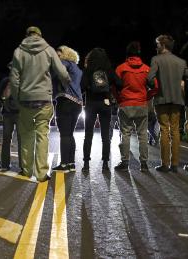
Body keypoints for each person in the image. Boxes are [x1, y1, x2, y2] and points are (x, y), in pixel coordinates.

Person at [10, 26, 70, 182]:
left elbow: (14, 79)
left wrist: (17, 98)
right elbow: (62, 72)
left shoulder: (19, 51)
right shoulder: (48, 50)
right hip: (44, 99)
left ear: (27, 35)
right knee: (42, 136)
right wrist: (67, 83)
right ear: (40, 35)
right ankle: (42, 173)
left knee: (27, 135)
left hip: (25, 100)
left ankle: (27, 170)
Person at [147, 34, 188, 173]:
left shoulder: (156, 59)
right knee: (175, 131)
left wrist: (155, 87)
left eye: (157, 44)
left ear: (163, 45)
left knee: (164, 130)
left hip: (161, 99)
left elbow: (149, 78)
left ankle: (165, 164)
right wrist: (182, 84)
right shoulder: (181, 61)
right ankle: (175, 164)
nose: (156, 47)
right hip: (177, 100)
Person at [81, 48, 122, 172]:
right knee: (105, 135)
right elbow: (120, 84)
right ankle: (105, 164)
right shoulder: (108, 70)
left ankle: (86, 164)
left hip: (91, 104)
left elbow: (82, 87)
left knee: (88, 134)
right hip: (105, 103)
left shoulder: (88, 70)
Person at [113, 41, 151, 172]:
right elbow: (156, 85)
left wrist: (119, 99)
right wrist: (147, 96)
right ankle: (144, 163)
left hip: (126, 104)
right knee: (142, 134)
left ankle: (124, 162)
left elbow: (114, 86)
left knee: (125, 133)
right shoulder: (146, 69)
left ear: (127, 54)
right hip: (141, 104)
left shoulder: (121, 68)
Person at [51, 45, 83, 173]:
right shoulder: (77, 68)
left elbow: (58, 72)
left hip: (65, 101)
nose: (56, 58)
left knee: (64, 134)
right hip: (77, 103)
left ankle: (64, 164)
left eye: (59, 55)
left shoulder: (64, 64)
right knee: (69, 134)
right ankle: (71, 163)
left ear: (65, 55)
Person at [0, 62, 21, 171]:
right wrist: (8, 87)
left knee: (22, 139)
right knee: (6, 139)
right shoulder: (5, 81)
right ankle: (5, 164)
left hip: (20, 114)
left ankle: (23, 165)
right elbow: (1, 97)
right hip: (7, 114)